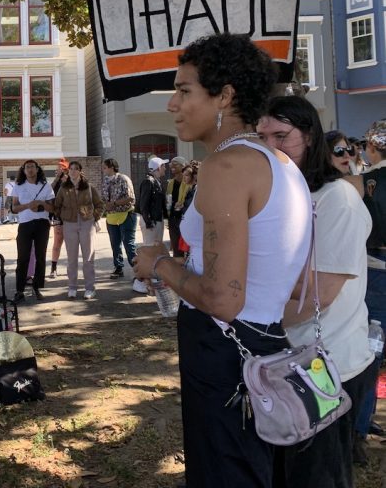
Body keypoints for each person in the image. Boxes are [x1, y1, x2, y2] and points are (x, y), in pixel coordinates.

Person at [133, 33, 312, 488]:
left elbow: (222, 298)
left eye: (184, 90)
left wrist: (159, 264)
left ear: (226, 95)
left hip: (226, 353)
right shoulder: (280, 162)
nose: (172, 104)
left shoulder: (227, 165)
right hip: (265, 344)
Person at [258, 96, 377, 488]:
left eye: (282, 136)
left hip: (327, 368)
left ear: (309, 137)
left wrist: (253, 322)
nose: (271, 147)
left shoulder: (337, 200)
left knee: (318, 478)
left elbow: (318, 295)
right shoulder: (285, 195)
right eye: (262, 137)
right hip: (284, 363)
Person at [356, 119, 386, 455]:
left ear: (372, 147)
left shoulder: (364, 183)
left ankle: (359, 428)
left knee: (370, 351)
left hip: (375, 268)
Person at [54, 161, 104, 300]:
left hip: (87, 223)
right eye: (71, 169)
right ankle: (72, 287)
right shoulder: (63, 188)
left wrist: (94, 216)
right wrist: (60, 217)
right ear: (68, 171)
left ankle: (89, 288)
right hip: (69, 224)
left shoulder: (88, 187)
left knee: (88, 257)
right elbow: (56, 205)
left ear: (81, 171)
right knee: (71, 258)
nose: (73, 171)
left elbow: (99, 204)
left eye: (76, 169)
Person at [11, 159, 55, 302]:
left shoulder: (46, 186)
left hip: (42, 224)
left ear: (37, 169)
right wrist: (28, 205)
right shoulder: (18, 186)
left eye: (32, 167)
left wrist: (41, 203)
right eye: (27, 167)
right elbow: (14, 208)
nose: (30, 169)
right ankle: (19, 290)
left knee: (40, 257)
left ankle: (37, 288)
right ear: (23, 171)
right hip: (25, 224)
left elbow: (53, 208)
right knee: (23, 257)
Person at [101, 158, 138, 279]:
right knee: (115, 244)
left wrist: (115, 203)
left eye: (105, 167)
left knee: (128, 244)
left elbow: (131, 198)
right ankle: (118, 268)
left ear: (112, 167)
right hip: (111, 217)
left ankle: (137, 270)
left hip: (126, 215)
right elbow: (104, 198)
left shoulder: (123, 179)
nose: (103, 170)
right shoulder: (105, 181)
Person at [325, 130, 364, 197]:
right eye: (339, 150)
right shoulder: (331, 189)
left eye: (348, 149)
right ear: (325, 154)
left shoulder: (353, 180)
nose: (347, 155)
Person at [137, 156, 166, 246]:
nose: (165, 168)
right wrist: (148, 222)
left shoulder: (156, 181)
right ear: (159, 167)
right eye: (163, 166)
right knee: (150, 248)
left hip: (156, 219)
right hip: (151, 221)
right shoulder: (148, 182)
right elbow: (143, 204)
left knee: (156, 248)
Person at [166, 156, 190, 257]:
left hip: (185, 218)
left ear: (183, 165)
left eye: (175, 163)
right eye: (171, 164)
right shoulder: (170, 183)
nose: (172, 165)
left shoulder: (189, 183)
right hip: (173, 219)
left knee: (188, 247)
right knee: (176, 248)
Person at [49, 159, 69, 278]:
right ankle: (53, 268)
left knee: (71, 244)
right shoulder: (55, 183)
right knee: (57, 242)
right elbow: (49, 191)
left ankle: (70, 267)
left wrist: (65, 179)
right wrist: (57, 179)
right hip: (58, 215)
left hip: (70, 216)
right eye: (58, 168)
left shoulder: (70, 181)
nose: (59, 170)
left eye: (62, 168)